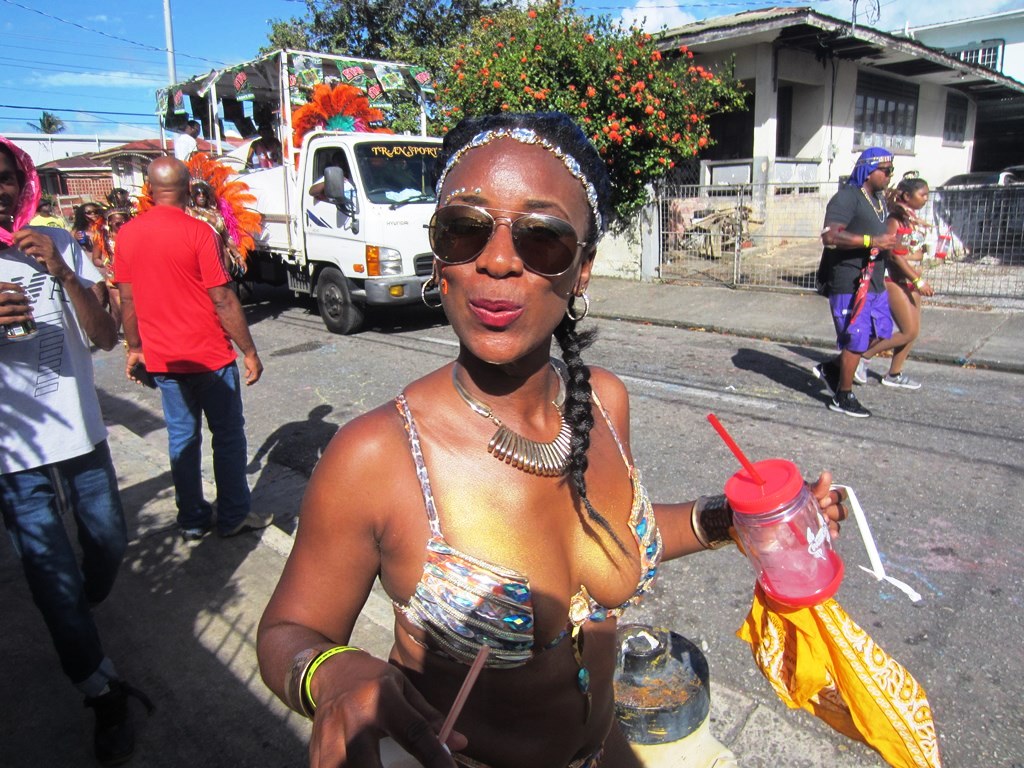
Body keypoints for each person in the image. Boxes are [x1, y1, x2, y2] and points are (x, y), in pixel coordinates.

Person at [256, 112, 847, 768]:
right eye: (464, 230)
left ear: (583, 270)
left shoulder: (602, 402)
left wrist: (734, 519)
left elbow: (615, 534)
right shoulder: (379, 454)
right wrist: (332, 677)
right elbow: (289, 631)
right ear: (439, 256)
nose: (498, 259)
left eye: (541, 239)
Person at [0, 136, 151, 766]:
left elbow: (105, 333)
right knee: (52, 584)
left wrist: (63, 274)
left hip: (82, 436)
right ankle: (100, 690)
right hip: (13, 455)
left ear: (21, 182)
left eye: (5, 177)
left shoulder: (59, 242)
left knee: (109, 543)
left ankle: (78, 608)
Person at [114, 157, 270, 541]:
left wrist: (134, 348)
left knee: (182, 439)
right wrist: (248, 350)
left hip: (164, 360)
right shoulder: (199, 232)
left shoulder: (128, 235)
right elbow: (222, 299)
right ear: (188, 189)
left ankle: (193, 520)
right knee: (228, 437)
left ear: (149, 190)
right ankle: (232, 515)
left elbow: (127, 300)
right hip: (210, 358)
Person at [813, 148, 896, 418]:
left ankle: (833, 368)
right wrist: (872, 242)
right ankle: (843, 395)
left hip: (875, 281)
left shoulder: (879, 200)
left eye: (891, 170)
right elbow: (830, 236)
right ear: (867, 170)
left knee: (880, 331)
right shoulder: (847, 197)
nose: (889, 175)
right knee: (856, 339)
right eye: (885, 170)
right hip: (849, 281)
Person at [857, 173, 935, 390]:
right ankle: (861, 357)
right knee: (908, 330)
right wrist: (917, 280)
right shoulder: (894, 220)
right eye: (922, 195)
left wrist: (916, 256)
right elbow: (893, 254)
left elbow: (913, 252)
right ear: (907, 196)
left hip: (908, 278)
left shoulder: (910, 219)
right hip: (894, 279)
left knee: (913, 331)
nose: (925, 199)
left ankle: (895, 373)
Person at [188, 179, 245, 277]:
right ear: (193, 196)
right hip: (201, 255)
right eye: (198, 193)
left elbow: (226, 237)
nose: (201, 196)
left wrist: (238, 255)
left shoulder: (216, 213)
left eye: (204, 193)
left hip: (221, 254)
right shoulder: (190, 213)